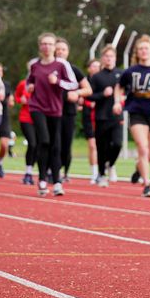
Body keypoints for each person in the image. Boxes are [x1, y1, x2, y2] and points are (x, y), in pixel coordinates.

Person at [26, 32, 90, 196]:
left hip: (55, 109)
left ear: (55, 47)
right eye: (44, 44)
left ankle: (57, 181)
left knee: (56, 145)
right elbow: (29, 82)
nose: (47, 47)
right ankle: (41, 179)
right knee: (44, 140)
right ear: (40, 47)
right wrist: (30, 87)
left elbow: (73, 84)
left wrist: (58, 82)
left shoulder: (61, 65)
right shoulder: (35, 65)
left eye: (50, 44)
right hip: (37, 107)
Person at [114, 35, 150, 198]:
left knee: (149, 155)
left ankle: (138, 168)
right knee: (142, 147)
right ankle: (147, 185)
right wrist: (118, 102)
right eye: (141, 49)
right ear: (137, 52)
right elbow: (118, 88)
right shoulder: (130, 71)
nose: (144, 51)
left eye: (146, 48)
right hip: (136, 112)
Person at [54, 37, 91, 183]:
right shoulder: (48, 69)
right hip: (51, 111)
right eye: (58, 49)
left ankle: (65, 172)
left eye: (63, 49)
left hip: (68, 112)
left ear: (68, 52)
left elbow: (88, 89)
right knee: (53, 143)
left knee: (65, 144)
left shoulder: (73, 70)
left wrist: (77, 93)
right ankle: (52, 171)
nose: (60, 52)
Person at [88, 45, 123, 187]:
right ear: (102, 59)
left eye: (111, 56)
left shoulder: (121, 75)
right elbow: (89, 96)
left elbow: (127, 91)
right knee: (101, 147)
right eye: (106, 56)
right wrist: (103, 94)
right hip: (101, 116)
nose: (109, 59)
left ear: (115, 58)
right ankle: (101, 174)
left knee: (117, 144)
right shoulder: (96, 77)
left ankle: (111, 164)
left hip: (117, 116)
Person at [0, 61, 15, 178]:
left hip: (3, 116)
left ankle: (0, 162)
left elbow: (11, 98)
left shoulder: (6, 85)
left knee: (4, 144)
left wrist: (11, 101)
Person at [82, 59, 101, 183]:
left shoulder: (103, 80)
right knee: (92, 145)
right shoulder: (84, 81)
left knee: (104, 145)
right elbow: (80, 95)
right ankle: (94, 173)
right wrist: (88, 102)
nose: (96, 68)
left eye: (98, 66)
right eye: (93, 66)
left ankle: (109, 168)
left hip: (102, 115)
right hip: (88, 115)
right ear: (89, 68)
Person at [14, 77, 36, 184]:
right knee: (32, 144)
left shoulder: (43, 84)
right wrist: (20, 100)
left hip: (40, 118)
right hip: (26, 117)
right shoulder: (23, 83)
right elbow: (17, 96)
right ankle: (28, 173)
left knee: (40, 145)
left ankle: (44, 172)